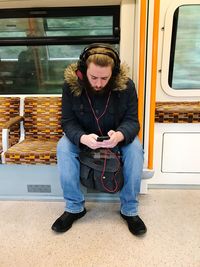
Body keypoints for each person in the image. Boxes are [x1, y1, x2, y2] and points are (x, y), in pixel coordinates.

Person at [51, 43, 147, 236]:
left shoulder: (127, 87)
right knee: (63, 148)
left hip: (116, 138)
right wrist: (82, 138)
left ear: (115, 73)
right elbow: (68, 121)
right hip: (84, 137)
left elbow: (132, 121)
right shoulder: (70, 87)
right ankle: (74, 207)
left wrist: (120, 135)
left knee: (136, 150)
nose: (98, 83)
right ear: (83, 71)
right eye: (93, 77)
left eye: (105, 78)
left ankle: (129, 209)